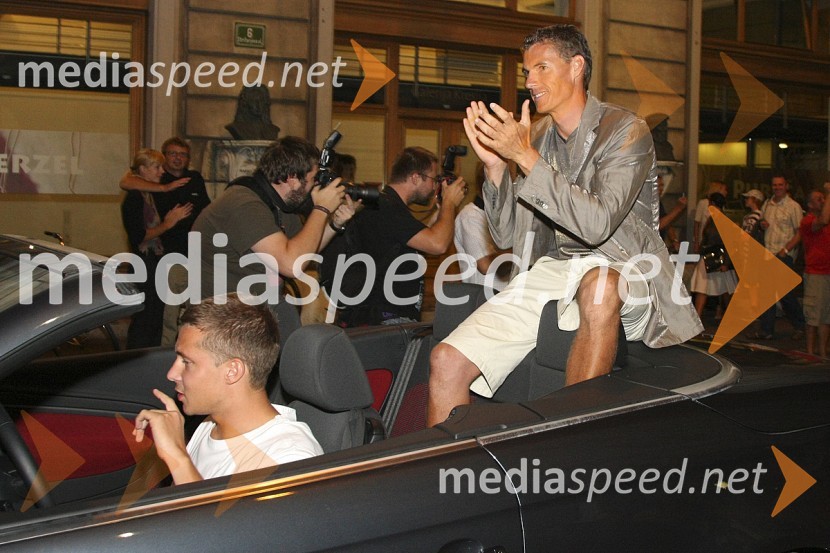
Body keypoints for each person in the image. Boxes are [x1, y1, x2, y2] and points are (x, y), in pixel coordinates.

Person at [427, 24, 701, 427]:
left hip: (626, 268)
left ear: (576, 67)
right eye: (526, 72)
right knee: (446, 360)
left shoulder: (625, 130)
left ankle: (571, 454)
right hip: (554, 270)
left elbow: (597, 224)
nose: (530, 81)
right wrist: (496, 169)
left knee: (600, 286)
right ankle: (445, 482)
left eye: (541, 67)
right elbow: (502, 235)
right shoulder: (534, 137)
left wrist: (524, 157)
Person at [133, 294, 323, 484]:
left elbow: (206, 515)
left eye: (187, 362)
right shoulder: (210, 426)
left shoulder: (288, 458)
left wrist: (178, 457)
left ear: (232, 371)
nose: (172, 374)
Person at [192, 136, 355, 342]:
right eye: (314, 179)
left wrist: (334, 224)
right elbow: (291, 265)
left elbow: (302, 252)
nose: (315, 187)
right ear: (293, 178)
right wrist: (321, 209)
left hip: (257, 311)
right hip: (221, 321)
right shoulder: (243, 204)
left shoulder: (278, 205)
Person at [321, 146, 465, 326]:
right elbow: (438, 244)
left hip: (385, 314)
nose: (435, 186)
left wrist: (441, 214)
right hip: (385, 317)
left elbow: (412, 244)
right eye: (433, 179)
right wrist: (450, 203)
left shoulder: (388, 206)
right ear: (415, 178)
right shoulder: (387, 208)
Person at [121, 137, 212, 346]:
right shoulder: (138, 195)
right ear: (143, 170)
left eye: (182, 154)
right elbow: (138, 236)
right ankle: (137, 362)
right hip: (152, 261)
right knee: (150, 317)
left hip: (175, 258)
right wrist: (169, 223)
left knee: (163, 315)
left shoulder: (150, 193)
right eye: (156, 167)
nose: (161, 172)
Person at [754, 174, 805, 340]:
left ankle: (800, 325)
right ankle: (766, 329)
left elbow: (800, 232)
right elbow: (762, 223)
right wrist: (763, 224)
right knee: (767, 293)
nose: (777, 188)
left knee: (785, 293)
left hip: (784, 254)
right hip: (768, 252)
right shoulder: (768, 204)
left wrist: (785, 250)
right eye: (775, 185)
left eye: (780, 185)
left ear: (786, 186)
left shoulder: (793, 206)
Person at [453, 164, 511, 291]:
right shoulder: (469, 216)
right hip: (484, 300)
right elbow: (485, 266)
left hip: (506, 298)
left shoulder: (504, 216)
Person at [692, 193, 737, 319]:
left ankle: (730, 315)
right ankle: (698, 317)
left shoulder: (722, 220)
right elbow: (706, 239)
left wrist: (726, 263)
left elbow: (729, 242)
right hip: (709, 256)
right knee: (704, 288)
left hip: (719, 257)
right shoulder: (712, 219)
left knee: (725, 289)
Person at [799, 185, 830, 357]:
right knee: (813, 317)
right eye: (820, 199)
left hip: (827, 273)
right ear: (810, 205)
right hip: (816, 274)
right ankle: (811, 352)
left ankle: (823, 353)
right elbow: (823, 219)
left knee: (826, 316)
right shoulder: (808, 221)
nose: (824, 201)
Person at [657, 173, 687, 253]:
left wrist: (674, 240)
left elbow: (667, 223)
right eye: (658, 186)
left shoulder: (658, 203)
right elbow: (657, 225)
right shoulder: (647, 204)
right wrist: (678, 208)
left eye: (662, 186)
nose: (661, 189)